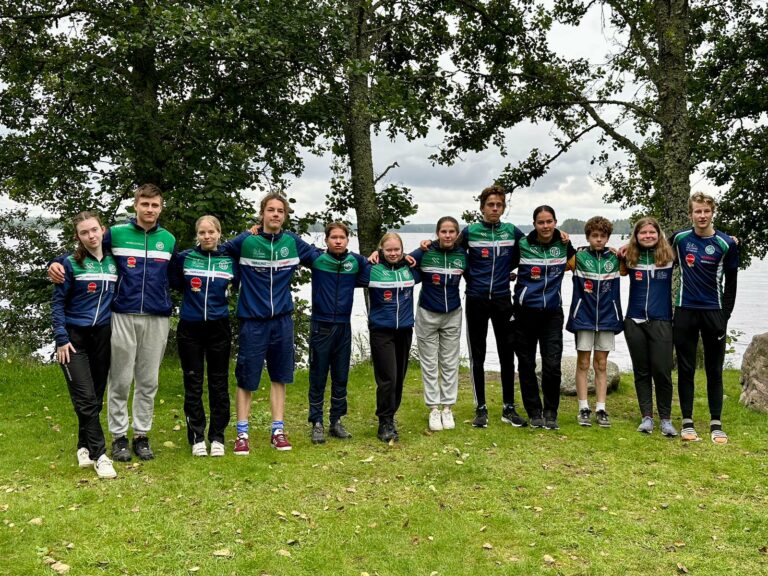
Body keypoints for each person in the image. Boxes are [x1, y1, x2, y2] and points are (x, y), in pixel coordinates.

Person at [49, 184, 176, 462]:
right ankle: (119, 437)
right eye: (145, 204)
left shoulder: (168, 239)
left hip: (157, 317)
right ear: (136, 205)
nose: (150, 209)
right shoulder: (116, 233)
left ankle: (141, 435)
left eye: (155, 205)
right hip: (122, 315)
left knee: (148, 381)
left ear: (161, 207)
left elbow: (175, 274)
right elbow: (85, 248)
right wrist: (56, 262)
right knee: (120, 379)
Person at [221, 193, 320, 454]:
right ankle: (242, 434)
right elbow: (217, 251)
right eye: (271, 210)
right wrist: (244, 235)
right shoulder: (246, 241)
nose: (275, 214)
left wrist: (369, 259)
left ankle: (277, 430)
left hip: (282, 321)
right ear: (262, 213)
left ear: (285, 216)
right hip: (253, 321)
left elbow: (321, 258)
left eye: (280, 211)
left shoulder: (292, 242)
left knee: (279, 376)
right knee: (246, 378)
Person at [52, 211, 118, 479]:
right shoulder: (70, 263)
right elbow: (57, 303)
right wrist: (61, 338)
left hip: (102, 336)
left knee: (95, 397)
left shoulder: (114, 261)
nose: (91, 236)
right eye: (84, 232)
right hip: (73, 339)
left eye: (94, 230)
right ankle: (100, 456)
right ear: (77, 237)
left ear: (102, 230)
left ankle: (83, 446)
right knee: (85, 397)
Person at [670, 192, 738, 444]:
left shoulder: (726, 243)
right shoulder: (679, 239)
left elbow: (731, 284)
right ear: (690, 214)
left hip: (713, 312)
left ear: (712, 213)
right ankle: (687, 421)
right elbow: (652, 249)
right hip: (685, 310)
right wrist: (624, 248)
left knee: (714, 368)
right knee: (686, 368)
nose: (702, 216)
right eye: (697, 211)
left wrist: (725, 316)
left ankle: (715, 423)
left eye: (706, 211)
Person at [460, 185, 526, 428]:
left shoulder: (512, 231)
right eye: (490, 205)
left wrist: (561, 238)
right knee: (477, 355)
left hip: (502, 299)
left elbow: (532, 247)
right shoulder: (470, 232)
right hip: (476, 298)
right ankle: (481, 407)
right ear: (482, 207)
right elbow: (454, 254)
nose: (495, 209)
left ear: (503, 208)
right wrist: (471, 278)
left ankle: (509, 407)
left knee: (507, 353)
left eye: (499, 205)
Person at [173, 216, 237, 457]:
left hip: (219, 326)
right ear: (197, 235)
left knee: (219, 383)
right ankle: (197, 437)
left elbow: (239, 284)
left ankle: (218, 436)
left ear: (219, 233)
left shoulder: (230, 260)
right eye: (202, 232)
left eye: (211, 232)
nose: (207, 236)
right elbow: (176, 283)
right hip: (190, 327)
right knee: (193, 382)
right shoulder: (185, 258)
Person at [511, 206, 576, 430]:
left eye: (549, 221)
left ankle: (550, 412)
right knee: (526, 364)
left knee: (552, 365)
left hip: (552, 314)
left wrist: (617, 253)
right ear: (534, 224)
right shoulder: (523, 244)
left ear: (555, 222)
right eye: (541, 222)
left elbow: (583, 261)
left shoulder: (564, 244)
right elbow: (503, 265)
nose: (545, 226)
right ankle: (534, 412)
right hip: (524, 313)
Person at [306, 222, 369, 444]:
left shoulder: (355, 261)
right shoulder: (317, 259)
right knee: (318, 377)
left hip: (343, 326)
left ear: (348, 240)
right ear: (326, 240)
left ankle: (336, 421)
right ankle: (317, 422)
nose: (338, 241)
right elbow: (293, 243)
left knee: (341, 376)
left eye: (342, 237)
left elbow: (371, 269)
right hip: (320, 326)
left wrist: (377, 255)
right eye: (334, 237)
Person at [620, 217, 678, 437]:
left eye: (652, 232)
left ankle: (666, 419)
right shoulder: (629, 257)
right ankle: (646, 417)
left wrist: (727, 239)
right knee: (641, 371)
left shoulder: (670, 255)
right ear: (636, 236)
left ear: (659, 234)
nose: (647, 236)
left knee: (662, 371)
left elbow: (692, 238)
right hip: (634, 321)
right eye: (643, 233)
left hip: (661, 320)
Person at [566, 216, 623, 428]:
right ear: (588, 237)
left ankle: (601, 408)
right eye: (594, 236)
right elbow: (557, 263)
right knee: (583, 362)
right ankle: (583, 407)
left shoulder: (615, 259)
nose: (598, 239)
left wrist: (624, 250)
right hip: (584, 317)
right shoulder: (579, 257)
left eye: (603, 236)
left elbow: (631, 266)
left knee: (601, 363)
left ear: (608, 238)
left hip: (608, 317)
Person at [362, 232, 420, 442]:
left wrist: (421, 247)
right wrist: (371, 256)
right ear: (381, 250)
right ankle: (384, 422)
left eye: (397, 249)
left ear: (403, 250)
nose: (393, 253)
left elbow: (429, 250)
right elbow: (349, 266)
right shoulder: (371, 269)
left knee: (399, 378)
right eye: (388, 250)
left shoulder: (410, 268)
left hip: (404, 329)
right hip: (381, 330)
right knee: (388, 377)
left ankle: (391, 416)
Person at [410, 217, 466, 431]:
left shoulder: (462, 255)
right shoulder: (424, 252)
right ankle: (434, 408)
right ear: (437, 233)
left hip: (453, 313)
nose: (448, 235)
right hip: (427, 312)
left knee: (450, 362)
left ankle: (447, 408)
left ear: (457, 234)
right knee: (430, 363)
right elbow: (399, 259)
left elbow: (480, 274)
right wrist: (377, 254)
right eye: (444, 231)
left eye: (452, 231)